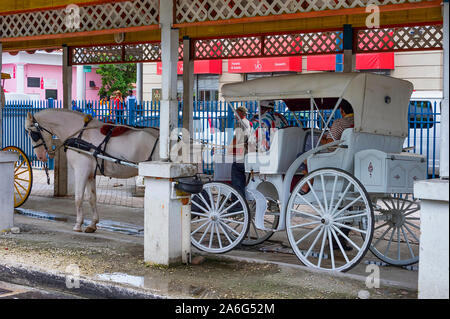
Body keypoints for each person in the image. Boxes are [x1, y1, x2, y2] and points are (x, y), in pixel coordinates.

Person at [229, 106, 252, 197]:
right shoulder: (247, 122)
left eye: (236, 113)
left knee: (236, 167)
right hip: (246, 149)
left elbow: (240, 138)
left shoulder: (240, 122)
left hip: (244, 151)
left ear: (241, 113)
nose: (235, 115)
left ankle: (238, 197)